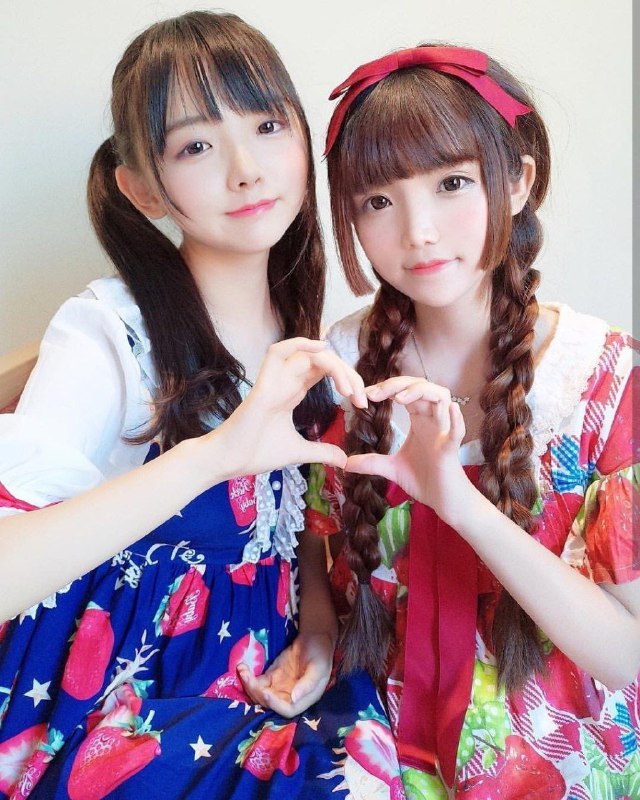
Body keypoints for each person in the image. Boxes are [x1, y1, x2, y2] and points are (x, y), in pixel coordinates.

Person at [0, 12, 406, 799]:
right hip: (115, 710)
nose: (246, 170)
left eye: (266, 126)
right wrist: (214, 455)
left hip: (260, 677)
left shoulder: (304, 336)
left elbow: (289, 529)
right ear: (143, 189)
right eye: (195, 146)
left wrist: (319, 631)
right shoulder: (112, 334)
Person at [304, 44, 639, 798]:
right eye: (377, 201)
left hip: (558, 761)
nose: (418, 230)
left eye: (451, 183)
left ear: (517, 181)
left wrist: (460, 504)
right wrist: (318, 636)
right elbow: (313, 551)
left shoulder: (604, 379)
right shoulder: (338, 367)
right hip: (370, 752)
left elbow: (626, 656)